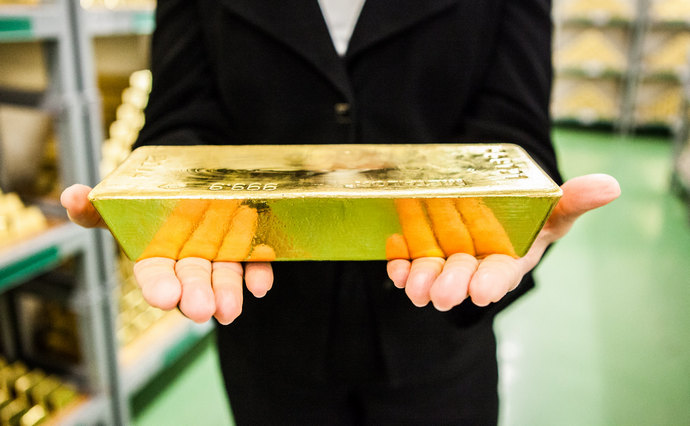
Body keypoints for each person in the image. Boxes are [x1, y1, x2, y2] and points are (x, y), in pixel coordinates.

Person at [61, 0, 621, 424]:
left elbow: (513, 120)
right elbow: (181, 114)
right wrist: (160, 192)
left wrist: (514, 207)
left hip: (438, 321)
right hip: (269, 324)